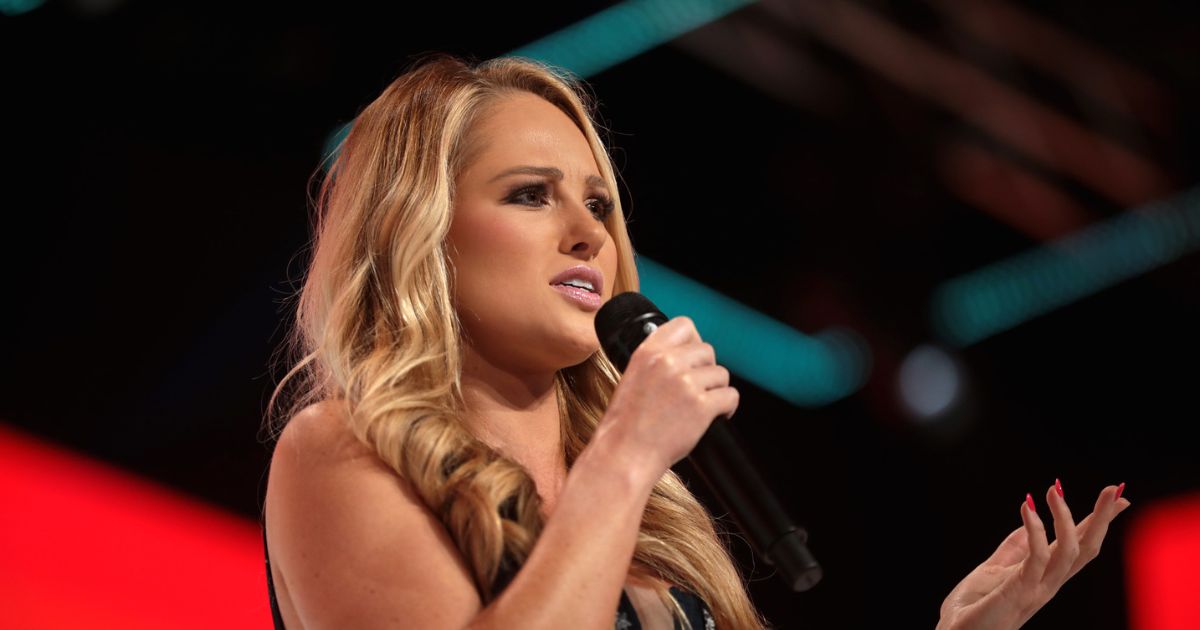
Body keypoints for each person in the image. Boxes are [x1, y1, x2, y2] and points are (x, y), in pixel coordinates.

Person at [261, 54, 1131, 630]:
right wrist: (627, 457)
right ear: (424, 231)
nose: (586, 233)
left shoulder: (647, 521)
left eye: (599, 204)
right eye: (531, 195)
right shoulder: (344, 454)